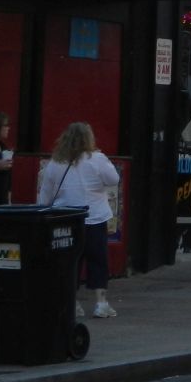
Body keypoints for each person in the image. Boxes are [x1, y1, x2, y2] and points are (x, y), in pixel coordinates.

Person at [39, 122, 122, 318]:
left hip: (66, 219)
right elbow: (113, 179)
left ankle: (72, 302)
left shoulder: (56, 162)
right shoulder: (97, 159)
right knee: (98, 260)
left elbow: (46, 193)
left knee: (70, 261)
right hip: (94, 218)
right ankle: (101, 303)